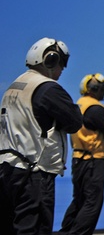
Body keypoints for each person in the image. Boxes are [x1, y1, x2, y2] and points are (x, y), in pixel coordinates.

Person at [1, 38, 83, 235]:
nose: (63, 69)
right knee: (35, 228)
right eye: (61, 62)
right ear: (50, 60)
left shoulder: (14, 86)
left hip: (7, 169)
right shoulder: (48, 88)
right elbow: (75, 121)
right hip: (34, 173)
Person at [60, 74, 104, 235]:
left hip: (78, 159)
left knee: (79, 199)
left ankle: (65, 230)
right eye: (103, 89)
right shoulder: (95, 109)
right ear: (94, 89)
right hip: (94, 160)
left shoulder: (79, 105)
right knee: (93, 202)